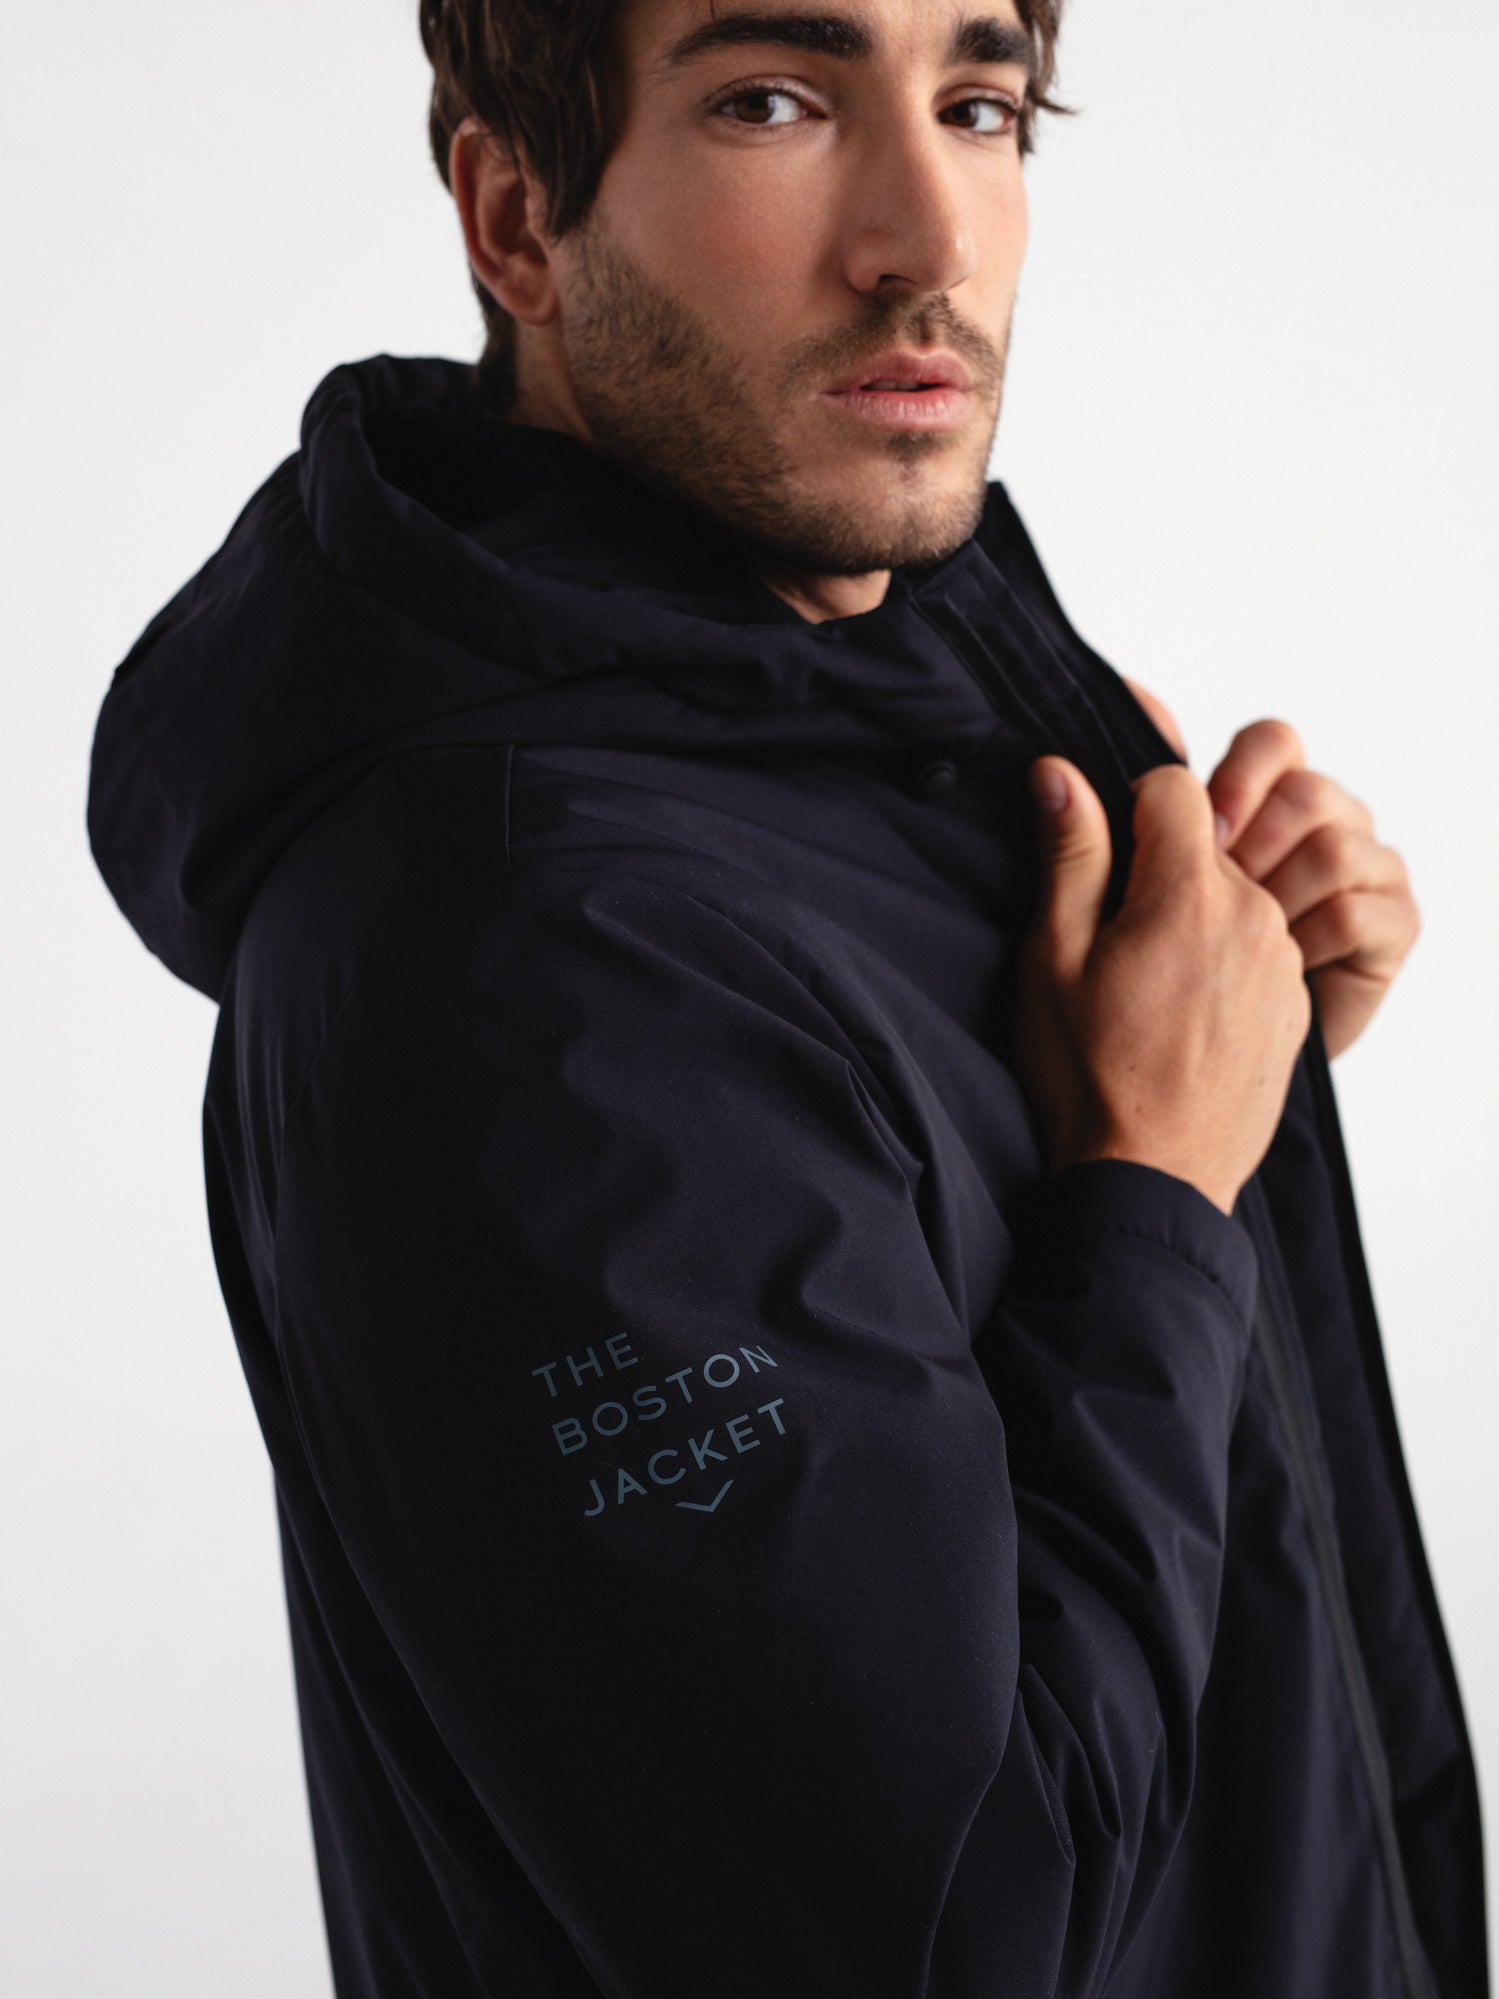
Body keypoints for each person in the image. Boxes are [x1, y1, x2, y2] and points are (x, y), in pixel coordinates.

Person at [86, 2, 1486, 1995]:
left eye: (981, 104)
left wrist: (1225, 1070)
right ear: (517, 217)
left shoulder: (868, 730)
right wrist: (1160, 1184)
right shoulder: (532, 951)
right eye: (773, 102)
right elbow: (956, 1934)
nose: (931, 235)